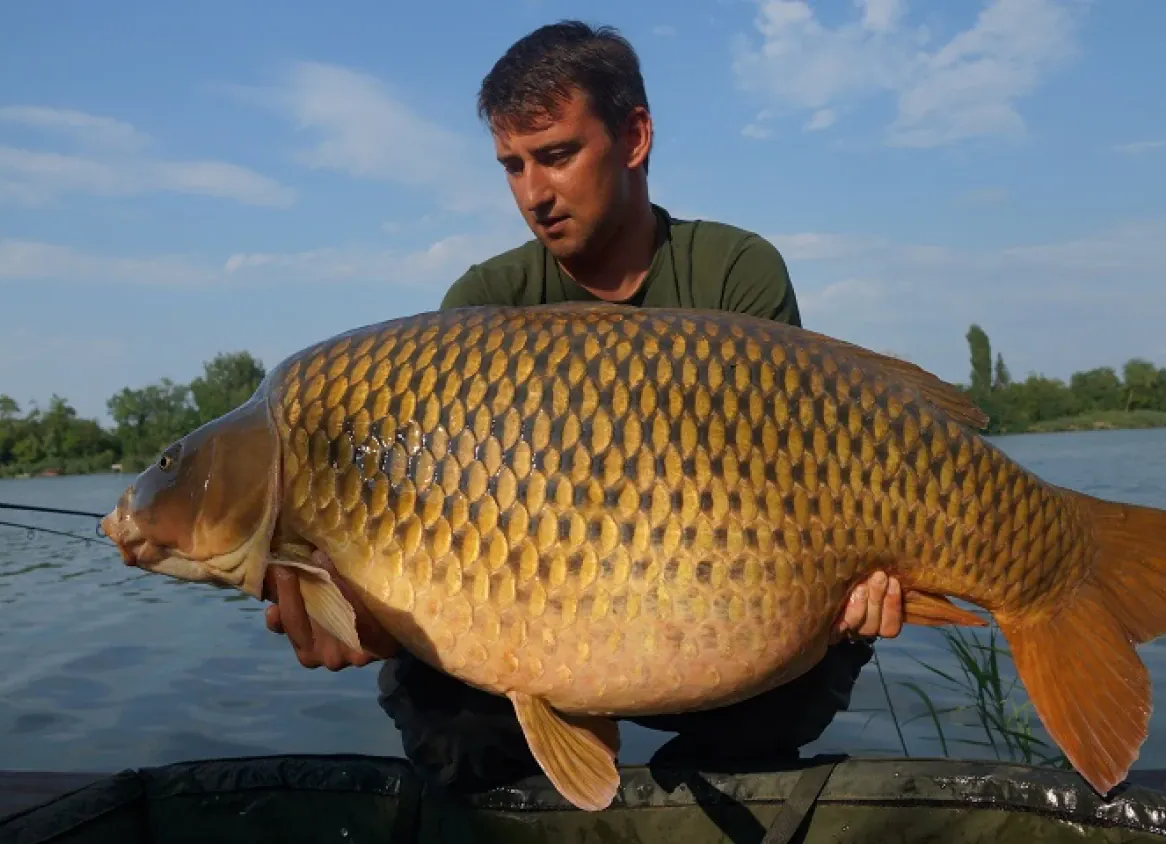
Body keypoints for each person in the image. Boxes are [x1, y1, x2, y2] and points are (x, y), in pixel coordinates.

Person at [262, 20, 907, 792]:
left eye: (557, 155)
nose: (534, 193)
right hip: (537, 620)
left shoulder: (735, 273)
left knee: (815, 653)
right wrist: (365, 620)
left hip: (717, 617)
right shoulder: (482, 306)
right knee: (441, 707)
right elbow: (444, 545)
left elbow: (805, 480)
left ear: (634, 137)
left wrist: (862, 585)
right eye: (512, 166)